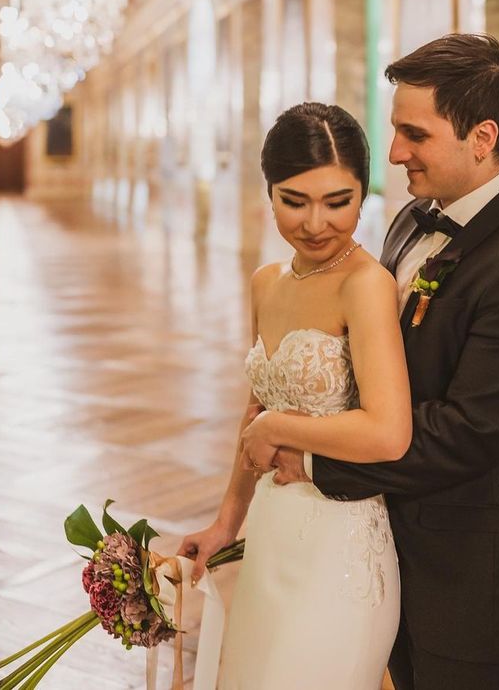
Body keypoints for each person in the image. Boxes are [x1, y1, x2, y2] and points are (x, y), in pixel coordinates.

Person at [270, 34, 499, 690]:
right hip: (392, 562)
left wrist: (309, 460)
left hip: (482, 588)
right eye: (395, 130)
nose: (394, 153)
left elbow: (467, 435)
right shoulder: (413, 222)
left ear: (482, 136)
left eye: (413, 135)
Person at [178, 102, 411, 690]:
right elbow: (254, 411)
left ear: (364, 192)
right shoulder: (265, 282)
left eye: (339, 201)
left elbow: (388, 431)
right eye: (294, 201)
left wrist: (279, 430)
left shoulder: (366, 285)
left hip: (341, 541)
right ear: (270, 193)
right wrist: (225, 523)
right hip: (271, 531)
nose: (315, 224)